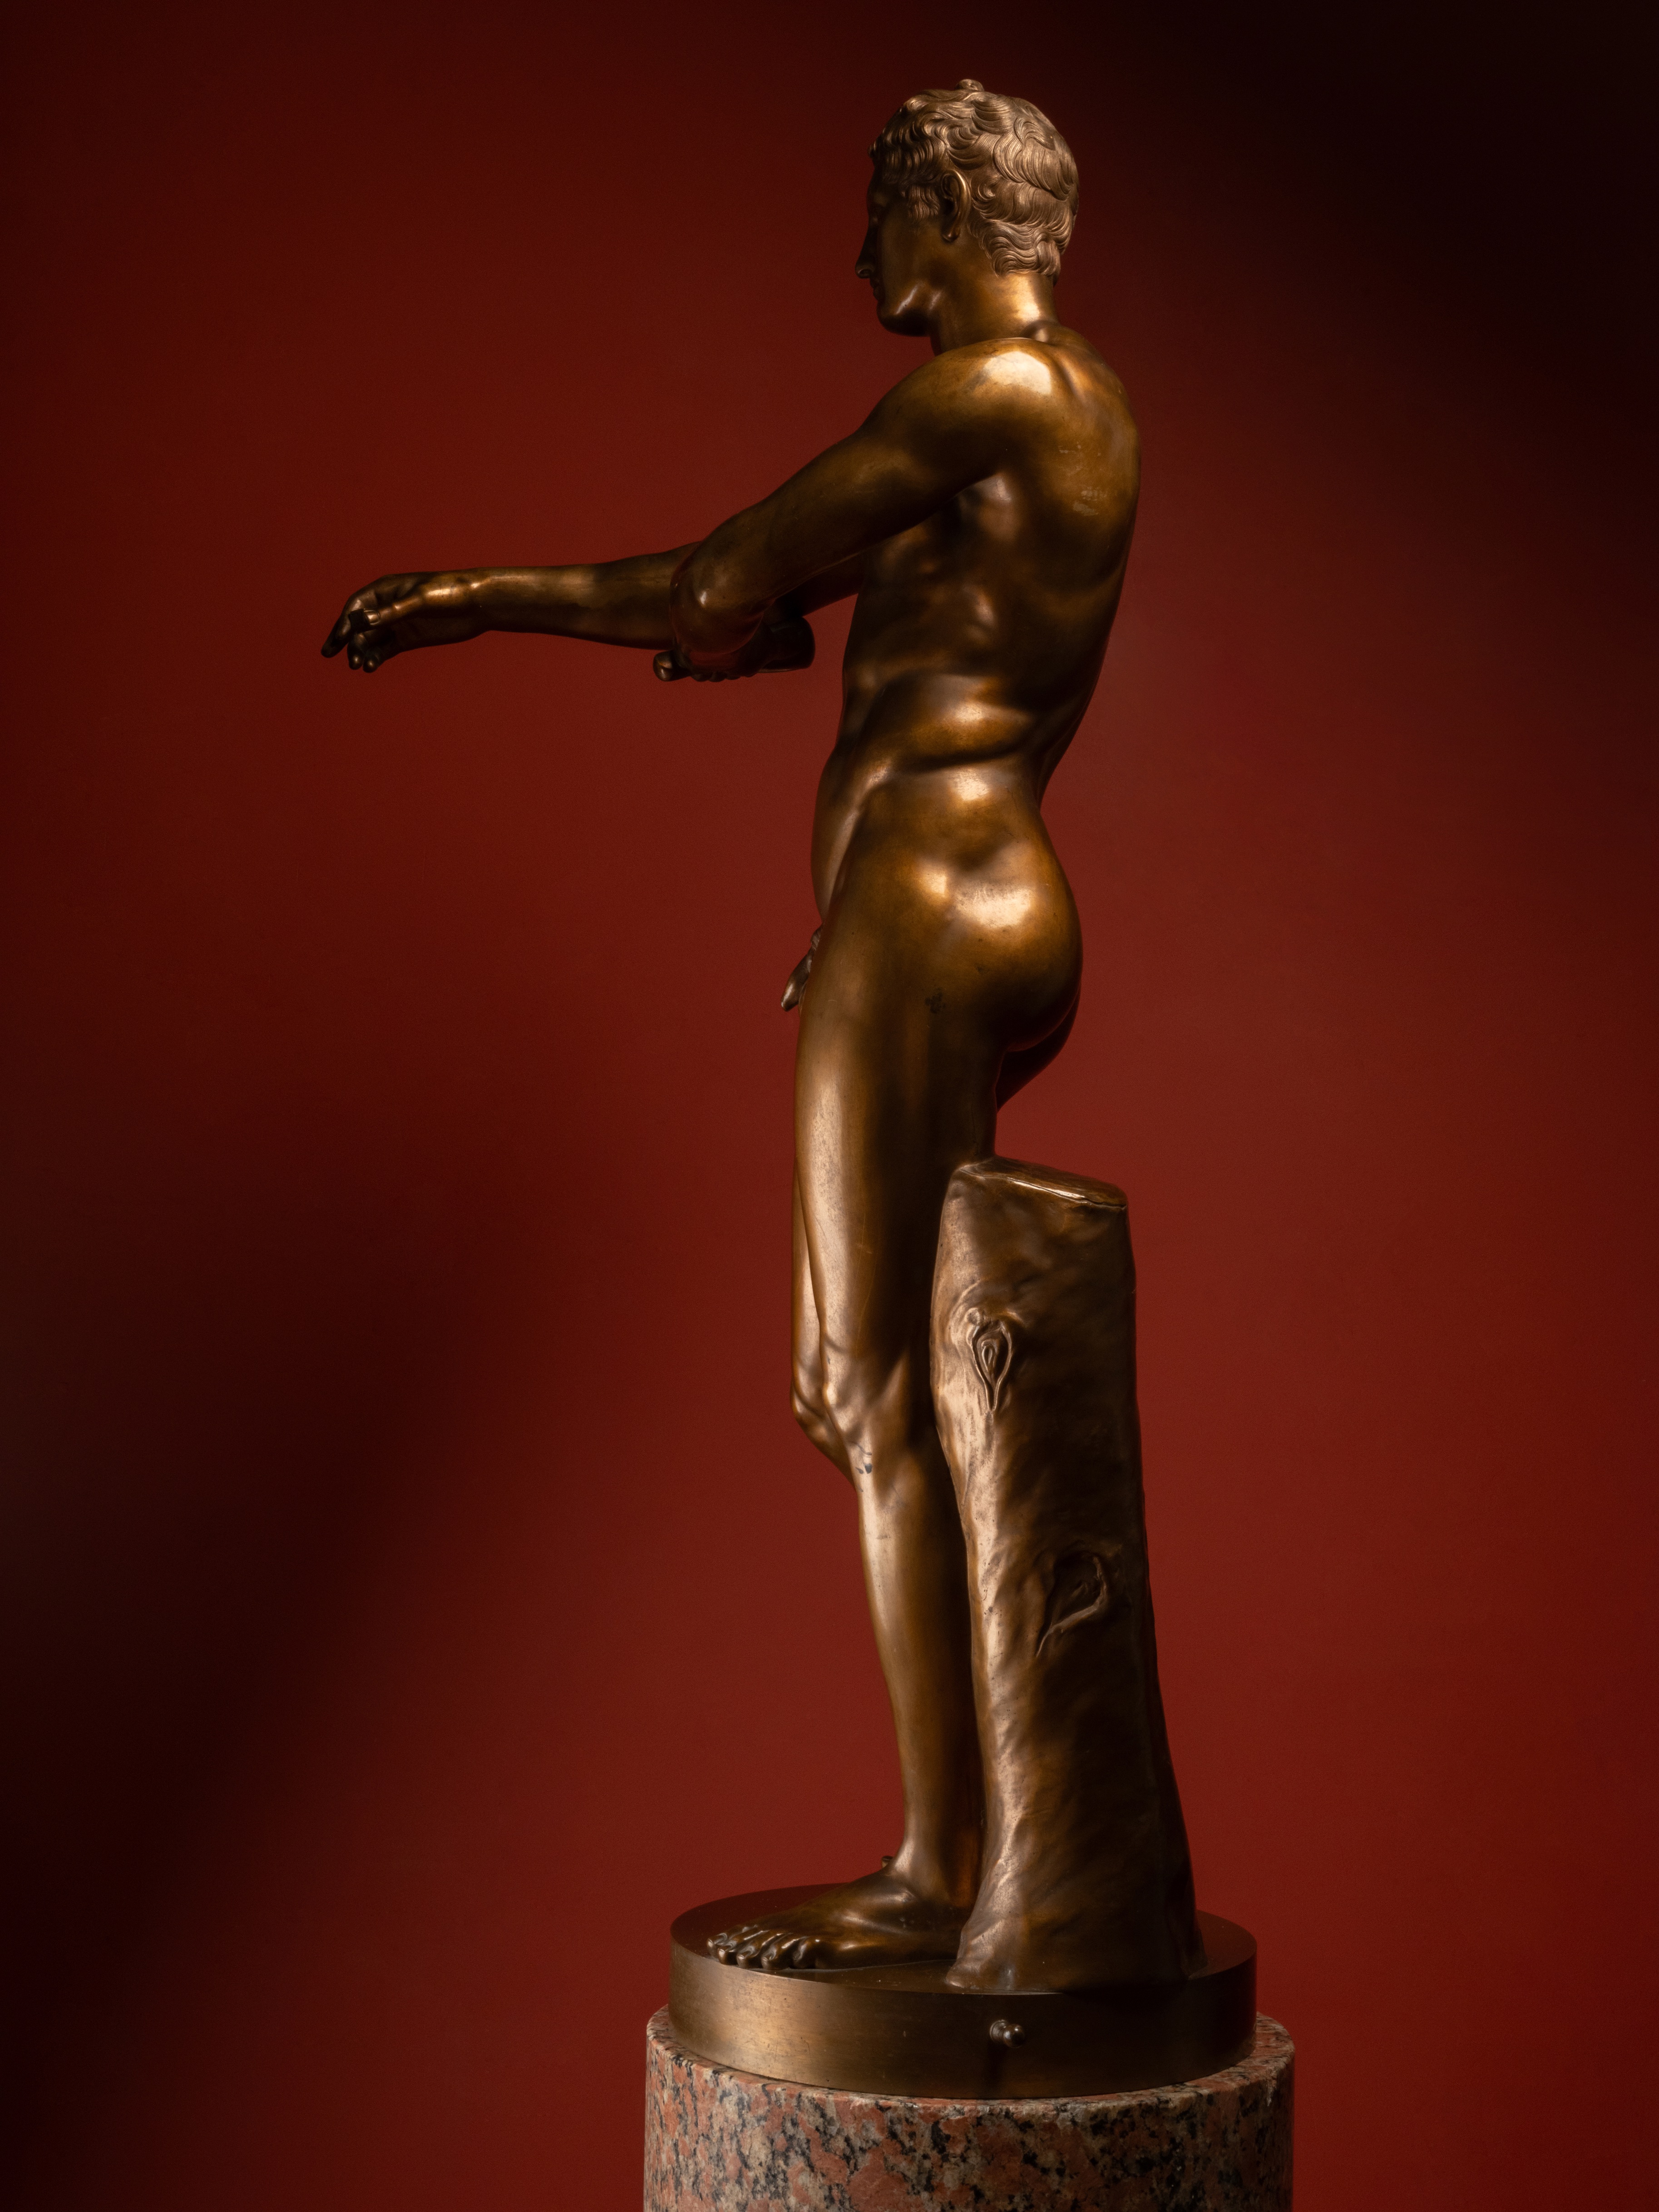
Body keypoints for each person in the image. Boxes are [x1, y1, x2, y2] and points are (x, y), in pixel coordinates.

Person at [322, 80, 1140, 1981]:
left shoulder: (982, 396)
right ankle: (1019, 1851)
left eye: (880, 214)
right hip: (972, 896)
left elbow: (720, 575)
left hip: (922, 907)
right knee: (931, 1384)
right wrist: (579, 612)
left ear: (951, 213)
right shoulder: (1079, 408)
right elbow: (759, 596)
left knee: (869, 1391)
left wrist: (510, 603)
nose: (860, 256)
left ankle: (943, 1868)